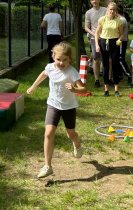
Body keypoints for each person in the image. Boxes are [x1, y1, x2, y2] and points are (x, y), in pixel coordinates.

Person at [27, 42, 87, 178]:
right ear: (54, 57)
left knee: (70, 134)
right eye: (59, 59)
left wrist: (74, 89)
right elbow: (44, 74)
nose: (61, 63)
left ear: (70, 59)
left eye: (65, 60)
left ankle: (77, 145)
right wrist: (33, 87)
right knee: (48, 134)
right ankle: (47, 166)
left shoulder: (72, 71)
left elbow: (84, 90)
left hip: (69, 107)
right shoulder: (50, 67)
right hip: (53, 104)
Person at [95, 2, 123, 97]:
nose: (112, 11)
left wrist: (119, 40)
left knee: (115, 65)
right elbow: (96, 33)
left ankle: (116, 90)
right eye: (110, 9)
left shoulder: (119, 21)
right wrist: (97, 45)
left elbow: (122, 34)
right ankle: (106, 89)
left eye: (114, 9)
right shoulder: (102, 19)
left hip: (115, 43)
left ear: (116, 11)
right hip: (104, 42)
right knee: (105, 66)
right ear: (107, 9)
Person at [85, 0, 107, 88]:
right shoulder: (88, 13)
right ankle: (96, 80)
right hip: (94, 39)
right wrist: (95, 35)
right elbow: (86, 27)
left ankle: (107, 79)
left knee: (107, 60)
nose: (94, 1)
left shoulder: (105, 10)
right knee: (95, 59)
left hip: (105, 37)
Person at [117, 4, 132, 84]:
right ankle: (119, 75)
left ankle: (129, 75)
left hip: (121, 41)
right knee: (118, 59)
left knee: (120, 59)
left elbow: (119, 32)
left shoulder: (122, 20)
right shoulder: (121, 19)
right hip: (121, 41)